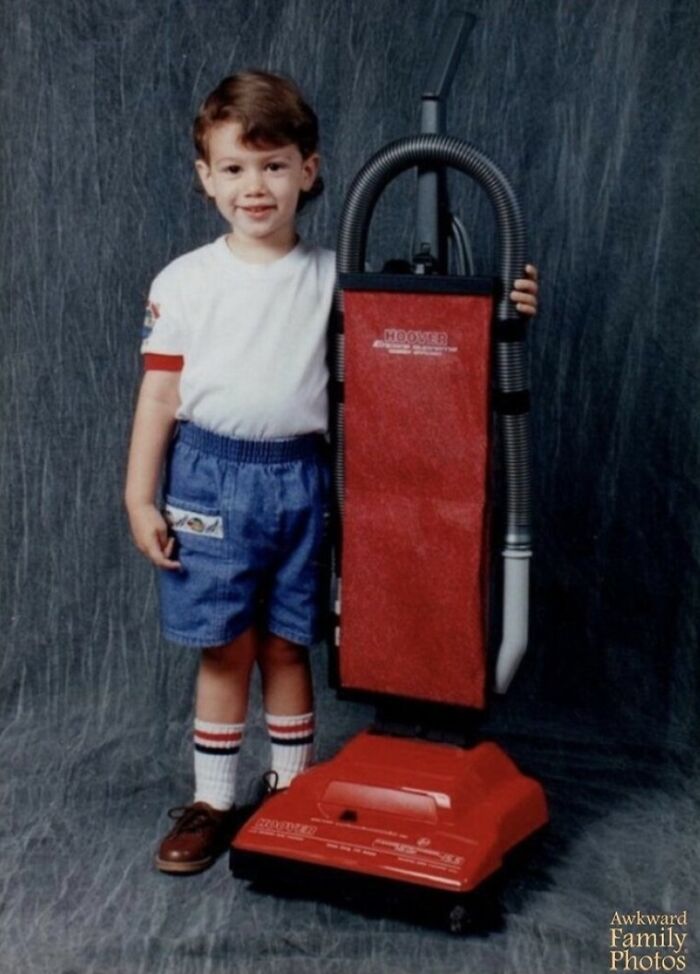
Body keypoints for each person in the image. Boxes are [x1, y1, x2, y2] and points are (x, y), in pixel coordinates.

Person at [124, 70, 539, 876]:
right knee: (224, 649)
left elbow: (420, 336)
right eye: (236, 168)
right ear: (206, 177)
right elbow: (160, 393)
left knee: (287, 645)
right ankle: (213, 800)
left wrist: (508, 310)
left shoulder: (332, 277)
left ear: (310, 171)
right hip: (209, 480)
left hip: (303, 481)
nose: (256, 186)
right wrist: (140, 494)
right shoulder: (185, 281)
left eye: (275, 165)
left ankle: (289, 793)